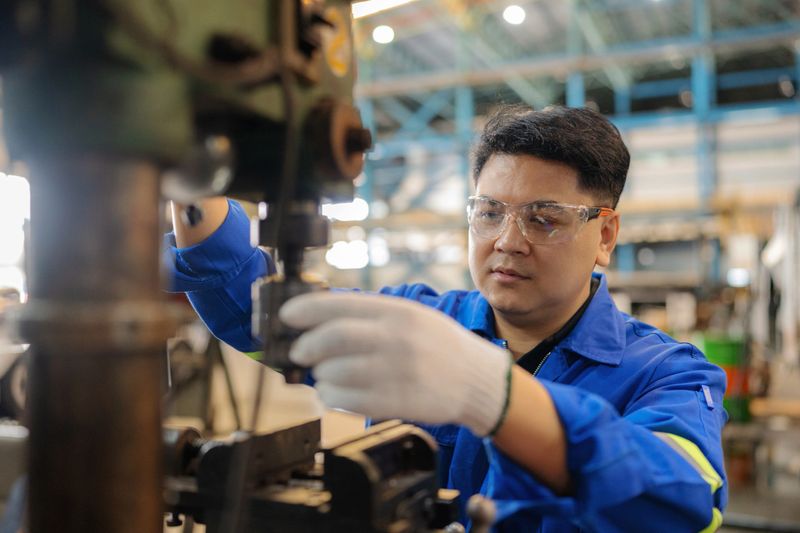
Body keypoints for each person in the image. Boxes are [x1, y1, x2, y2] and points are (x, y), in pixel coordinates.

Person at [166, 106, 727, 532]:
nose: (508, 242)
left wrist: (492, 393)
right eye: (489, 212)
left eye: (545, 219)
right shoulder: (421, 323)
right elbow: (260, 312)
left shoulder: (669, 372)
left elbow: (681, 498)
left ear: (604, 235)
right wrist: (191, 168)